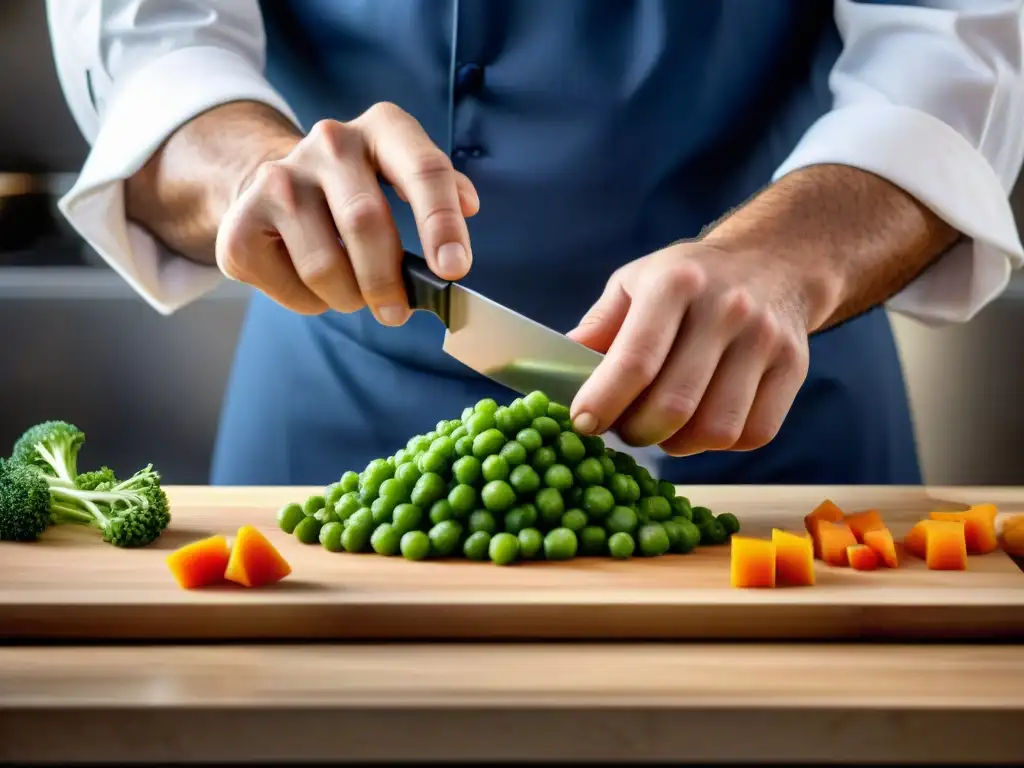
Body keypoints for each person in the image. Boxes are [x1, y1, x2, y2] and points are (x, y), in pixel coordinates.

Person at [47, 1, 1024, 486]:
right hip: (329, 424)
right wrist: (250, 174)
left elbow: (948, 42)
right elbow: (151, 35)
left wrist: (783, 261)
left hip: (769, 410)